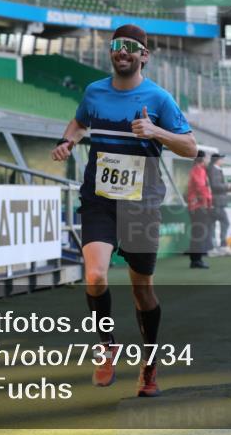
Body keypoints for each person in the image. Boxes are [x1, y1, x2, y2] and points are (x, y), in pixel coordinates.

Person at [51, 24, 197, 398]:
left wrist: (156, 132)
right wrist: (68, 141)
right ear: (112, 52)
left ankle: (149, 365)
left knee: (142, 290)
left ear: (144, 55)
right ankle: (107, 345)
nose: (123, 52)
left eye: (132, 47)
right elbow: (80, 122)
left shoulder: (160, 98)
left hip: (141, 204)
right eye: (117, 46)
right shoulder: (94, 92)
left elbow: (191, 148)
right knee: (95, 274)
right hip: (99, 198)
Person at [186, 151, 213, 269]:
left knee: (198, 232)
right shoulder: (198, 169)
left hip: (197, 206)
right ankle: (196, 260)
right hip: (199, 206)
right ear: (203, 159)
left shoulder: (197, 169)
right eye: (207, 158)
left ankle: (196, 259)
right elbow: (201, 187)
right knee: (199, 233)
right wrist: (207, 202)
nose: (208, 161)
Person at [207, 153, 231, 247]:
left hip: (215, 201)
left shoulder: (214, 169)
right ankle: (222, 243)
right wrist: (227, 186)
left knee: (211, 224)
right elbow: (215, 185)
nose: (223, 160)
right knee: (225, 222)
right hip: (216, 202)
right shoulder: (214, 170)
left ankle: (211, 245)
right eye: (222, 159)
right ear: (217, 160)